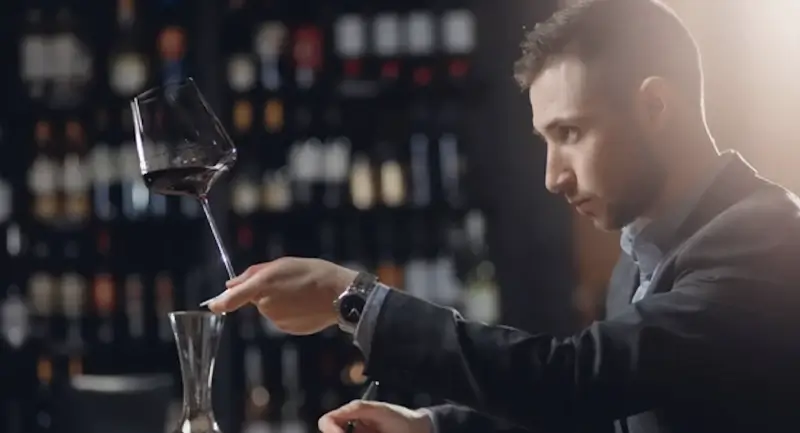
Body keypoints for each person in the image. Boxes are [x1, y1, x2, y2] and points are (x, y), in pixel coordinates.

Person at [204, 0, 800, 432]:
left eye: (570, 132)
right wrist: (430, 428)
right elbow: (601, 412)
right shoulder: (642, 256)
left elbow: (573, 383)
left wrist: (353, 298)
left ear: (655, 106)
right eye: (545, 139)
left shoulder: (764, 243)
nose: (552, 176)